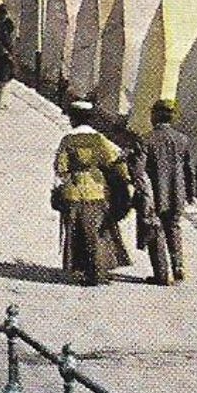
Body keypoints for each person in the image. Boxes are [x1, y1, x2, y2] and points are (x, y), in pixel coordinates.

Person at [51, 102, 131, 286]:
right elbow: (115, 161)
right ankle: (97, 270)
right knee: (95, 232)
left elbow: (60, 168)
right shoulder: (99, 139)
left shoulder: (68, 140)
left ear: (74, 119)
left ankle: (81, 270)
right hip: (96, 191)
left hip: (73, 192)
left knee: (76, 232)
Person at [133, 100, 193, 285]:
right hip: (177, 195)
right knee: (174, 229)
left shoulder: (146, 139)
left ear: (155, 115)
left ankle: (162, 274)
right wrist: (190, 193)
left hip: (155, 195)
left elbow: (138, 170)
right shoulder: (183, 140)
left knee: (156, 230)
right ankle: (178, 267)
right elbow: (189, 170)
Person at [0, 4, 17, 109]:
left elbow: (12, 28)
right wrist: (5, 53)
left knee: (7, 77)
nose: (6, 15)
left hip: (7, 53)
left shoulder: (5, 23)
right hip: (1, 55)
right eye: (5, 13)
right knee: (2, 78)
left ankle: (1, 100)